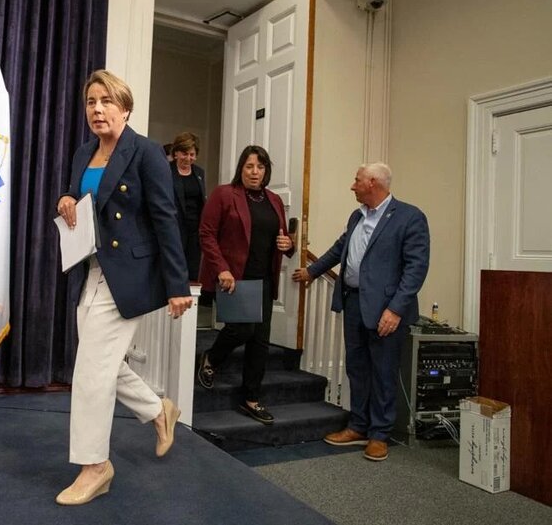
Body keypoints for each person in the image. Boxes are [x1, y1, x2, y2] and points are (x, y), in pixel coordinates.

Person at [55, 70, 193, 505]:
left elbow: (165, 219)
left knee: (92, 370)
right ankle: (158, 410)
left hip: (131, 275)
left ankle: (95, 466)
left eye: (106, 101)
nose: (97, 109)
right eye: (91, 102)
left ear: (125, 108)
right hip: (92, 270)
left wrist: (178, 284)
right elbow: (81, 199)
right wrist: (65, 200)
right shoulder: (82, 154)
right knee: (103, 362)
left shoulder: (147, 152)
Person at [292, 163, 429, 462]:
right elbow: (340, 248)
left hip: (386, 310)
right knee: (357, 368)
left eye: (356, 181)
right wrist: (313, 271)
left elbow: (416, 269)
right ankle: (358, 425)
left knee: (383, 371)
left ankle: (380, 434)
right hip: (353, 303)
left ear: (373, 183)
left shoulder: (409, 217)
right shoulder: (357, 215)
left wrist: (395, 309)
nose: (352, 186)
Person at [196, 145, 294, 424]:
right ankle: (211, 358)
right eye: (249, 166)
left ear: (267, 171)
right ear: (241, 168)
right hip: (234, 279)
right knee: (242, 329)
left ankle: (251, 399)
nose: (255, 172)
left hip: (264, 279)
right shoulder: (224, 194)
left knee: (260, 342)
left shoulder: (274, 200)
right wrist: (221, 269)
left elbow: (283, 238)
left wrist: (288, 244)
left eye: (260, 167)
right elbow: (207, 234)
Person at [169, 132, 206, 281]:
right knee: (174, 270)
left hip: (194, 231)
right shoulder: (166, 170)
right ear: (176, 153)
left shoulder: (199, 173)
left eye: (192, 155)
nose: (188, 158)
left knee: (193, 271)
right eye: (184, 153)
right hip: (174, 228)